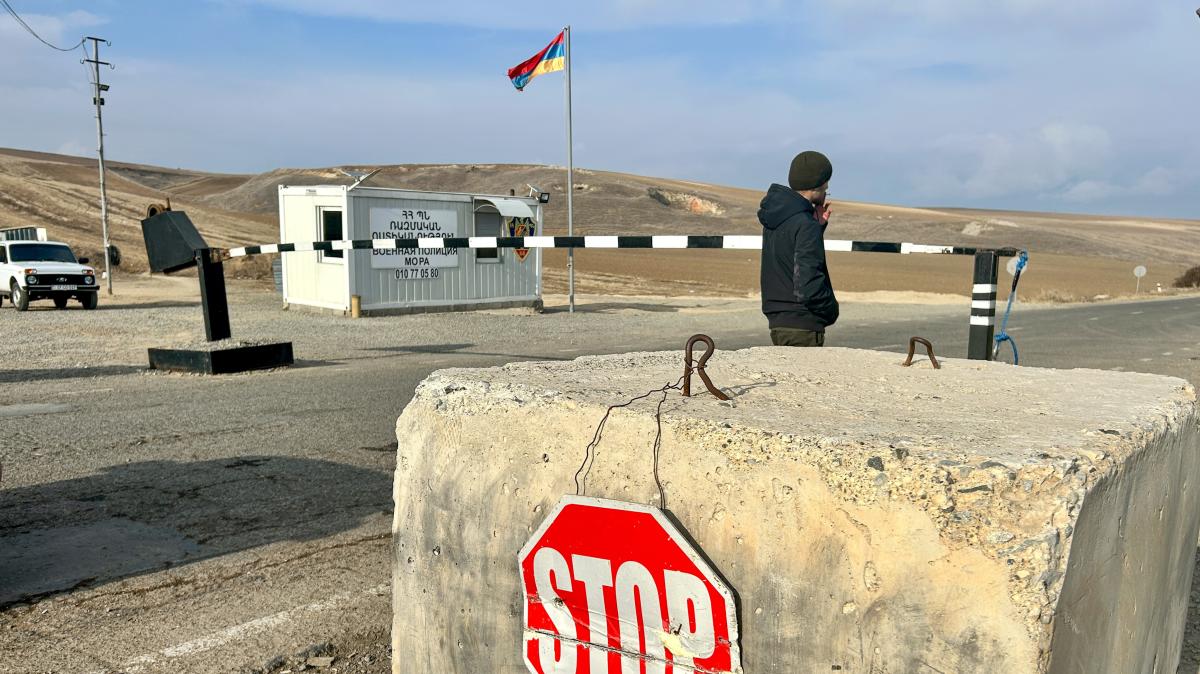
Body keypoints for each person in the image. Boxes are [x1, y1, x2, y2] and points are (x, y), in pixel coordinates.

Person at [759, 150, 839, 346]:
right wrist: (831, 311)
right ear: (817, 186)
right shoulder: (805, 224)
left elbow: (788, 259)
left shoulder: (776, 218)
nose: (826, 192)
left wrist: (817, 229)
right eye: (826, 188)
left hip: (778, 321)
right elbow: (807, 284)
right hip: (803, 325)